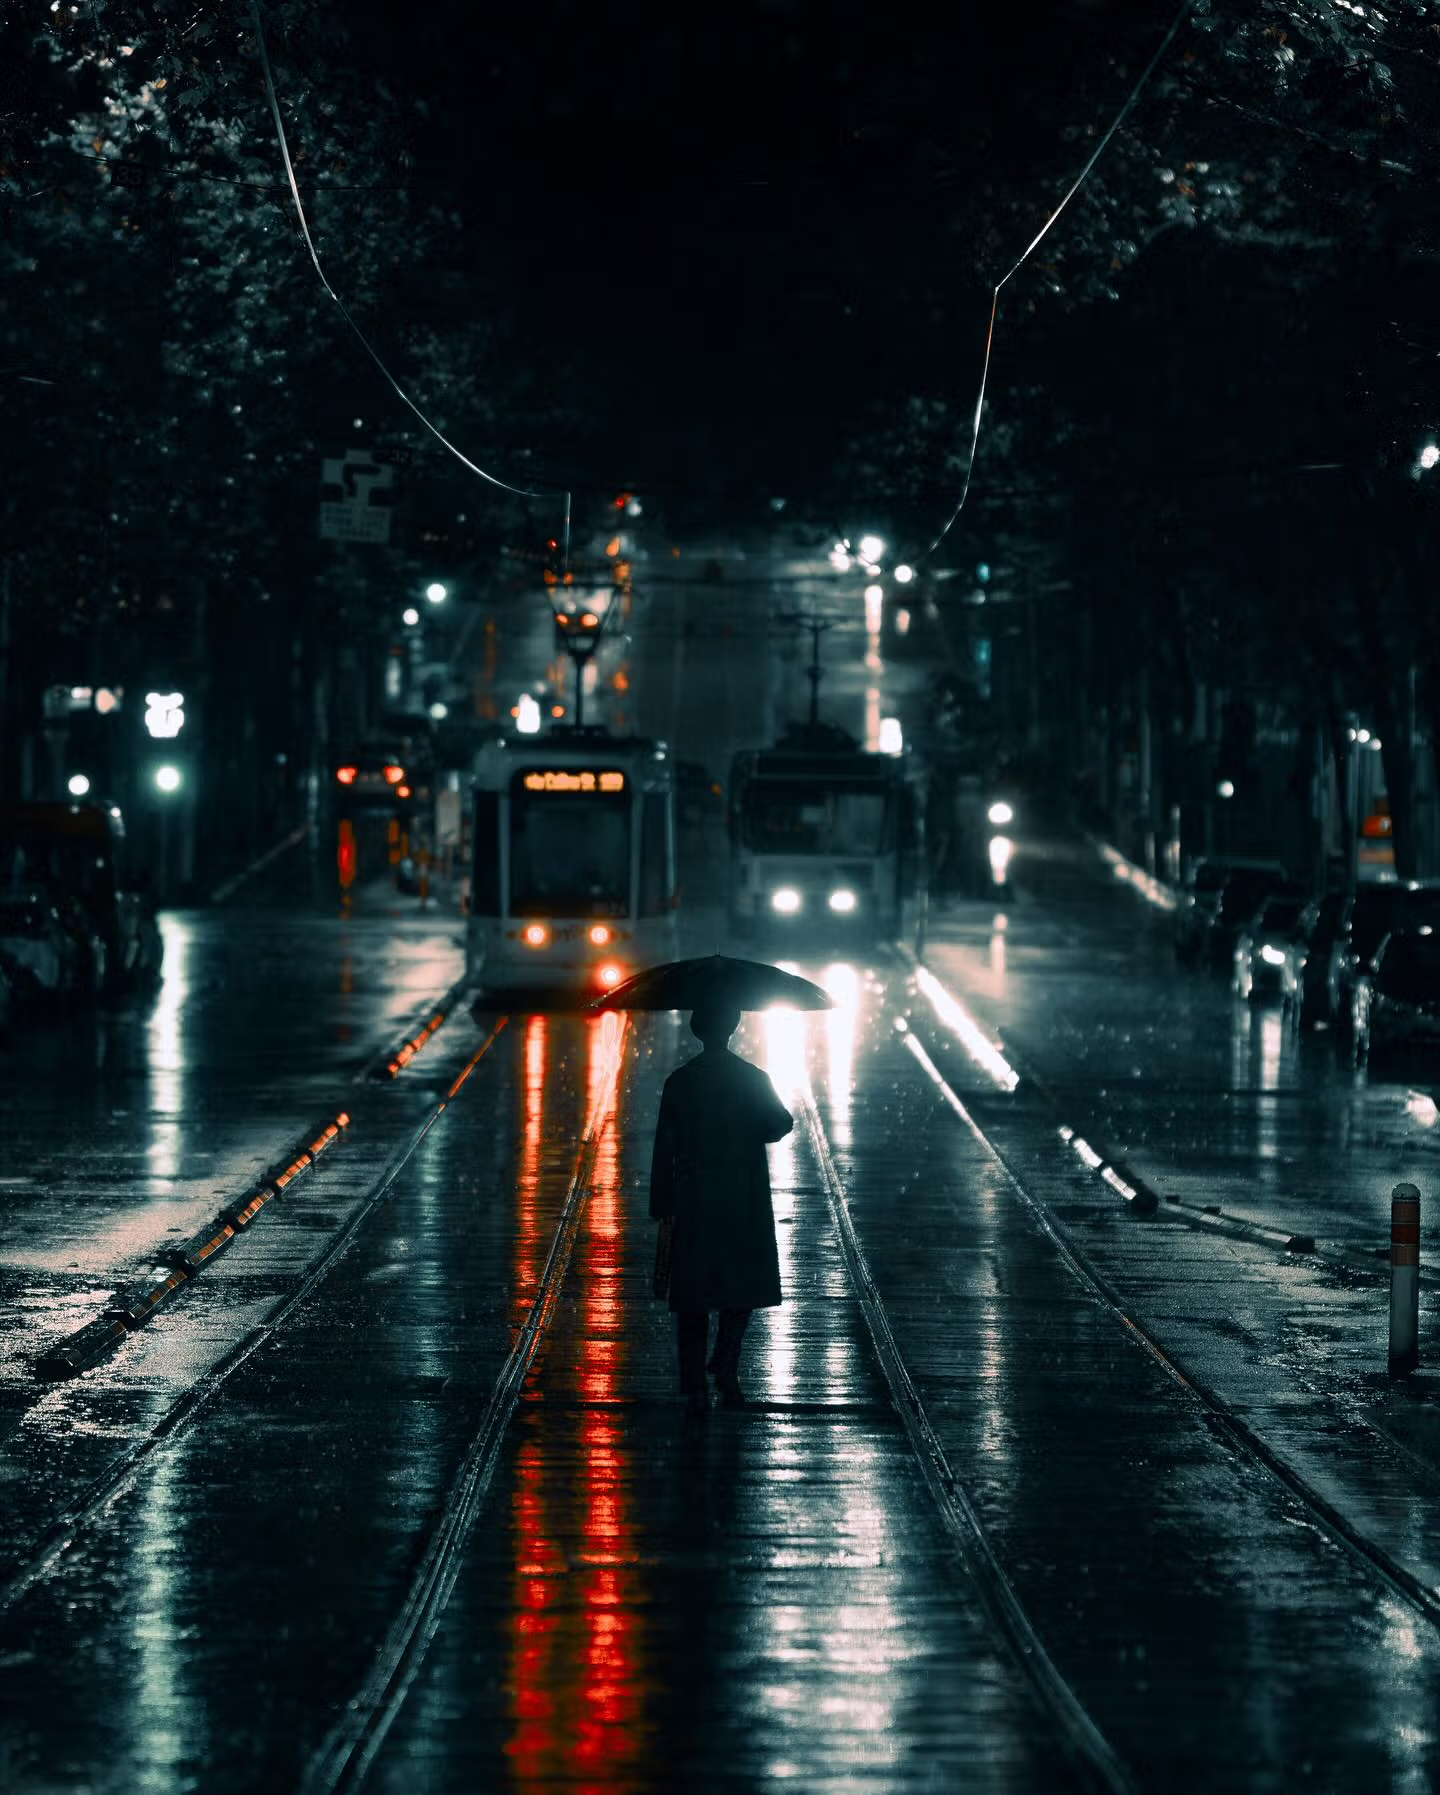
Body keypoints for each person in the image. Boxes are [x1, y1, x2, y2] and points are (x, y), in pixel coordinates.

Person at [649, 998, 794, 1416]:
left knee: (692, 1293)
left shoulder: (680, 1081)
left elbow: (664, 1146)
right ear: (733, 1028)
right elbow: (779, 1123)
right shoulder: (752, 1077)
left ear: (697, 1030)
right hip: (741, 1194)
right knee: (739, 1287)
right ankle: (727, 1366)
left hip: (694, 1195)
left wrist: (663, 1203)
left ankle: (693, 1380)